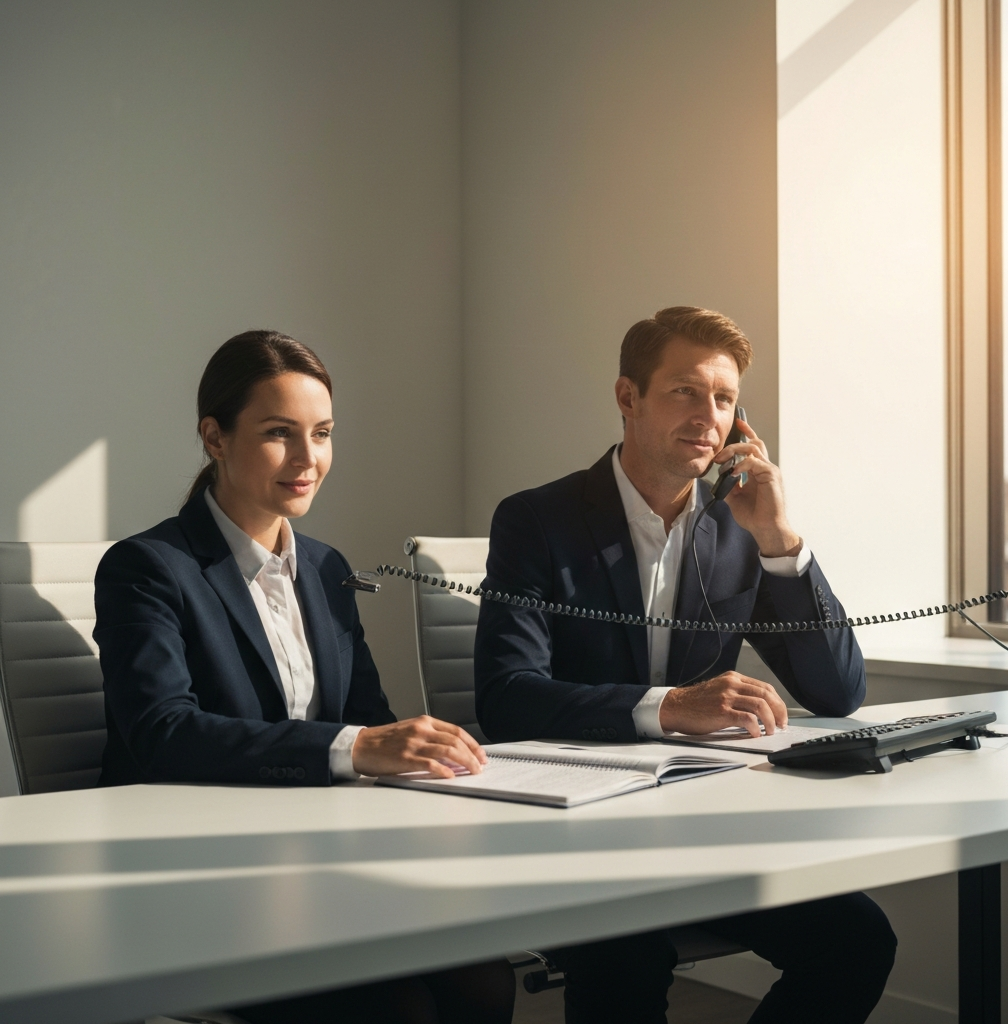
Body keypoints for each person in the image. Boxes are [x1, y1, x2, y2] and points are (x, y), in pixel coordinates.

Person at [473, 307, 896, 1024]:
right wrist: (667, 706)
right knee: (625, 966)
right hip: (579, 829)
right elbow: (508, 698)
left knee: (857, 940)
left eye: (725, 399)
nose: (709, 417)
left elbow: (838, 692)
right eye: (685, 392)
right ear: (627, 397)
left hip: (700, 827)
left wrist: (780, 539)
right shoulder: (537, 520)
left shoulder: (735, 533)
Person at [94, 330, 514, 1024]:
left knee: (485, 982)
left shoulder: (324, 567)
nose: (308, 458)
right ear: (214, 436)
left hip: (315, 859)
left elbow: (367, 716)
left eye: (321, 434)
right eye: (279, 433)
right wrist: (355, 748)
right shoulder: (147, 568)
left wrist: (419, 756)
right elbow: (161, 734)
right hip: (193, 869)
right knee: (399, 1010)